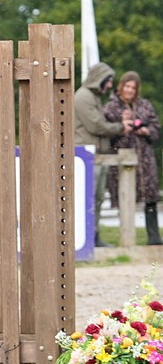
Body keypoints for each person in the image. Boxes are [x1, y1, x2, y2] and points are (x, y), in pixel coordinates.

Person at [74, 62, 131, 247]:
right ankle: (84, 238)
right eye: (108, 81)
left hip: (97, 156)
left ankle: (93, 236)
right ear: (100, 79)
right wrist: (121, 128)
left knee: (97, 199)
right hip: (88, 156)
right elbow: (95, 125)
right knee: (88, 198)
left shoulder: (93, 97)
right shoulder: (84, 96)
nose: (110, 85)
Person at [102, 71, 161, 246]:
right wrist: (122, 125)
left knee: (150, 199)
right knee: (124, 199)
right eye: (127, 86)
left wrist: (146, 131)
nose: (130, 90)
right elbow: (105, 133)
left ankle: (154, 237)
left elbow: (156, 128)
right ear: (121, 86)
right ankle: (126, 238)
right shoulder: (111, 107)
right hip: (120, 158)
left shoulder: (145, 106)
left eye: (133, 88)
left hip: (145, 160)